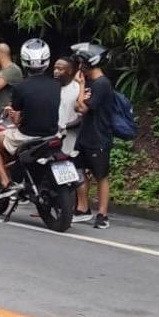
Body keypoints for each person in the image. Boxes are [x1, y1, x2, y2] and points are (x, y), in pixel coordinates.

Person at [0, 39, 61, 199]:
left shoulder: (21, 87)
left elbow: (17, 118)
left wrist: (11, 113)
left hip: (28, 136)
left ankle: (5, 183)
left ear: (25, 61)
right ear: (47, 61)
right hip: (52, 134)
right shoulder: (56, 85)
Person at [72, 43, 114, 229]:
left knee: (100, 176)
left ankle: (103, 214)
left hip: (99, 136)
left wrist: (80, 86)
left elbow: (82, 107)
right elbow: (77, 107)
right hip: (84, 134)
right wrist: (82, 87)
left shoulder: (102, 84)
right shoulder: (89, 83)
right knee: (78, 170)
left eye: (82, 63)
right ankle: (82, 207)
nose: (80, 67)